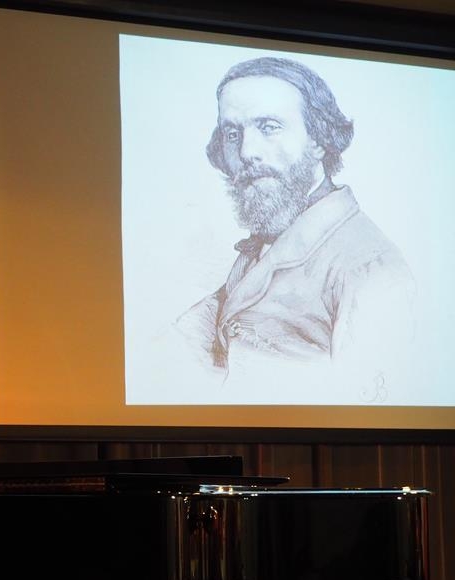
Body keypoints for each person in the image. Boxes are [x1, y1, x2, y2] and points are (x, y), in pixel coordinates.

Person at [174, 56, 415, 402]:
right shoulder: (266, 242)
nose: (246, 152)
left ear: (319, 140)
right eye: (232, 134)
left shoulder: (370, 270)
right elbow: (200, 334)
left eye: (269, 127)